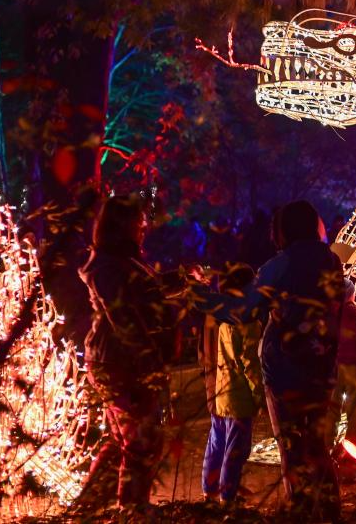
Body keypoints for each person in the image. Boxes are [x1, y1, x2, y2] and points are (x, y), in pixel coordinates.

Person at [203, 200, 345, 522]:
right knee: (316, 444)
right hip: (322, 368)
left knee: (291, 449)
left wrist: (199, 296)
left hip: (285, 371)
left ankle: (301, 513)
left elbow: (243, 310)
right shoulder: (331, 261)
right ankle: (329, 510)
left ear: (284, 230)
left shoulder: (279, 266)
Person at [79, 195, 178, 509]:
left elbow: (144, 293)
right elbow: (123, 316)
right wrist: (148, 359)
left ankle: (91, 508)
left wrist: (179, 282)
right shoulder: (107, 266)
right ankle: (131, 509)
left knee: (127, 440)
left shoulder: (124, 259)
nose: (143, 227)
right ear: (121, 225)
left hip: (126, 360)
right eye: (138, 221)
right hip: (119, 362)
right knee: (142, 440)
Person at [199, 264, 264, 505]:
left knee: (217, 442)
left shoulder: (221, 319)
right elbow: (250, 363)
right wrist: (259, 395)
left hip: (220, 392)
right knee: (236, 449)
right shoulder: (246, 322)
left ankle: (209, 489)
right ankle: (228, 496)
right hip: (239, 398)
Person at [329, 279, 356, 455]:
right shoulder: (353, 310)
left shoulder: (328, 312)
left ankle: (327, 444)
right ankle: (352, 445)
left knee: (332, 406)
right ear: (350, 295)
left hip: (333, 366)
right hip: (354, 365)